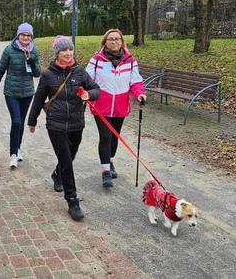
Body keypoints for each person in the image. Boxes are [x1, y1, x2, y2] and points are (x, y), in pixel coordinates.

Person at [27, 36, 100, 221]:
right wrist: (32, 120)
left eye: (70, 50)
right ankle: (72, 199)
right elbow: (38, 98)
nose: (68, 54)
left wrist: (88, 94)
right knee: (66, 160)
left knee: (70, 156)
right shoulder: (48, 75)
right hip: (56, 125)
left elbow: (96, 89)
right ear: (57, 54)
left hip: (76, 123)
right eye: (63, 51)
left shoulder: (80, 72)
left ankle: (56, 174)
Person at [85, 29, 146, 187]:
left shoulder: (130, 61)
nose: (114, 41)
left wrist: (139, 94)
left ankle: (110, 161)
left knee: (114, 137)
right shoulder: (96, 60)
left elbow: (136, 81)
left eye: (117, 39)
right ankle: (106, 171)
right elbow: (86, 79)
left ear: (122, 41)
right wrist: (86, 93)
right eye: (110, 39)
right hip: (101, 106)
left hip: (120, 106)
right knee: (105, 137)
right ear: (105, 42)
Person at [0, 22, 41, 169]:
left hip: (27, 92)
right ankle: (13, 154)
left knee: (22, 122)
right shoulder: (9, 50)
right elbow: (0, 69)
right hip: (11, 92)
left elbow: (37, 74)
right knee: (16, 121)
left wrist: (32, 64)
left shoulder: (34, 52)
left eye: (28, 35)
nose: (26, 37)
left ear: (31, 37)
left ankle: (17, 149)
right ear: (18, 35)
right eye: (23, 34)